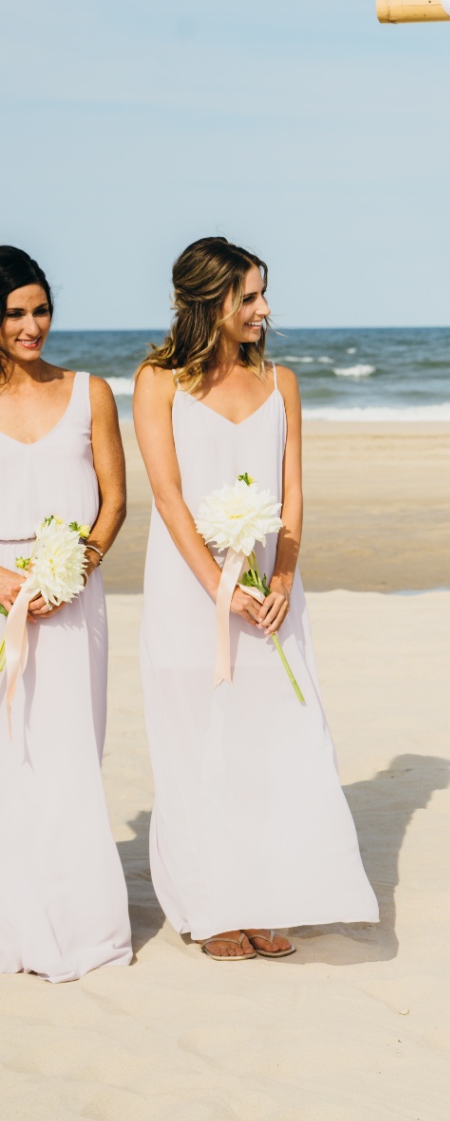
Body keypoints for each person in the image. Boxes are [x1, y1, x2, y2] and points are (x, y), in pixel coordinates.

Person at [134, 237, 377, 962]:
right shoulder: (157, 382)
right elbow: (169, 495)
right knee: (197, 742)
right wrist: (218, 589)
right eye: (249, 296)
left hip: (271, 597)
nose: (265, 309)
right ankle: (212, 908)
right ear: (210, 302)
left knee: (271, 743)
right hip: (189, 592)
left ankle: (264, 895)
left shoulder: (282, 383)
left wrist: (278, 581)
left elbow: (293, 493)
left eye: (264, 293)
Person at [0, 246, 132, 982]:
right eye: (16, 312)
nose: (32, 325)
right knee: (8, 757)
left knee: (71, 754)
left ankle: (80, 923)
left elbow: (114, 502)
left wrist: (70, 571)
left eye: (40, 309)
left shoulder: (91, 393)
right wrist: (5, 582)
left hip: (74, 600)